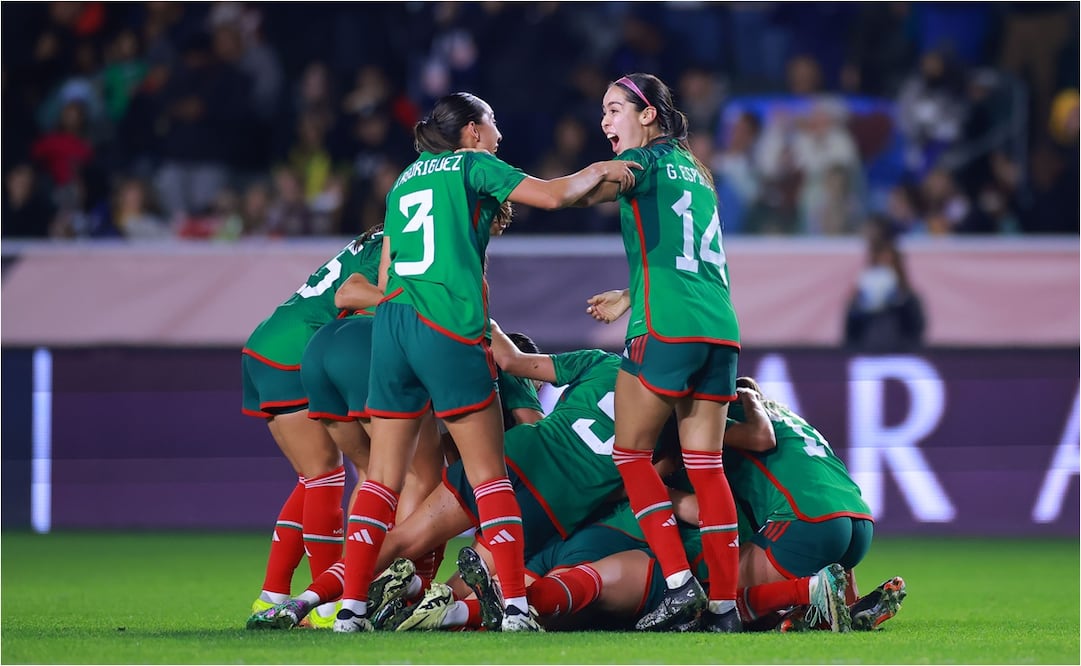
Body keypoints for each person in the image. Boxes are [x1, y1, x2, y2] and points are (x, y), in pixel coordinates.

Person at [333, 91, 638, 633]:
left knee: (380, 478)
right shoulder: (473, 165)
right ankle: (516, 607)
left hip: (394, 325)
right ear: (472, 131)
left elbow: (385, 276)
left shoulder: (404, 180)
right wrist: (602, 169)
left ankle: (349, 610)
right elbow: (553, 196)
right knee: (490, 475)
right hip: (447, 327)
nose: (499, 135)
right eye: (493, 123)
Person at [578, 72, 742, 632]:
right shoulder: (696, 172)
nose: (605, 120)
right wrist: (631, 293)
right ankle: (724, 608)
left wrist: (532, 189)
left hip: (666, 328)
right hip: (719, 329)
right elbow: (685, 253)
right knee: (707, 467)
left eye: (615, 109)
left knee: (630, 455)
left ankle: (678, 584)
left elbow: (598, 185)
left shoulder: (642, 162)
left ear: (648, 115)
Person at [242, 225, 384, 626]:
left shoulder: (372, 243)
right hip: (295, 347)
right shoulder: (391, 248)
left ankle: (272, 595)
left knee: (313, 477)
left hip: (268, 342)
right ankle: (327, 604)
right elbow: (352, 295)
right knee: (325, 474)